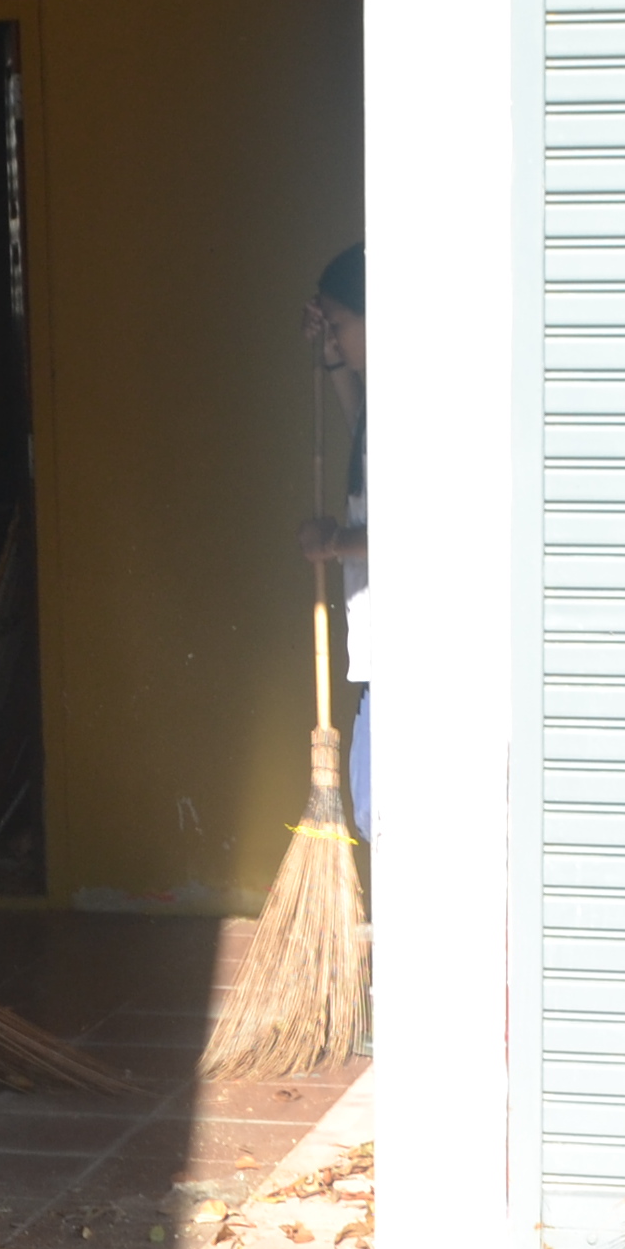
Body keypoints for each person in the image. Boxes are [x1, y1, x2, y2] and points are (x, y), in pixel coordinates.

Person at [302, 242, 371, 835]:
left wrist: (333, 544)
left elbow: (423, 535)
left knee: (377, 807)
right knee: (374, 807)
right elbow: (360, 428)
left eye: (342, 324)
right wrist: (331, 359)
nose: (338, 336)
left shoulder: (423, 407)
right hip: (383, 652)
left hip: (416, 654)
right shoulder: (383, 405)